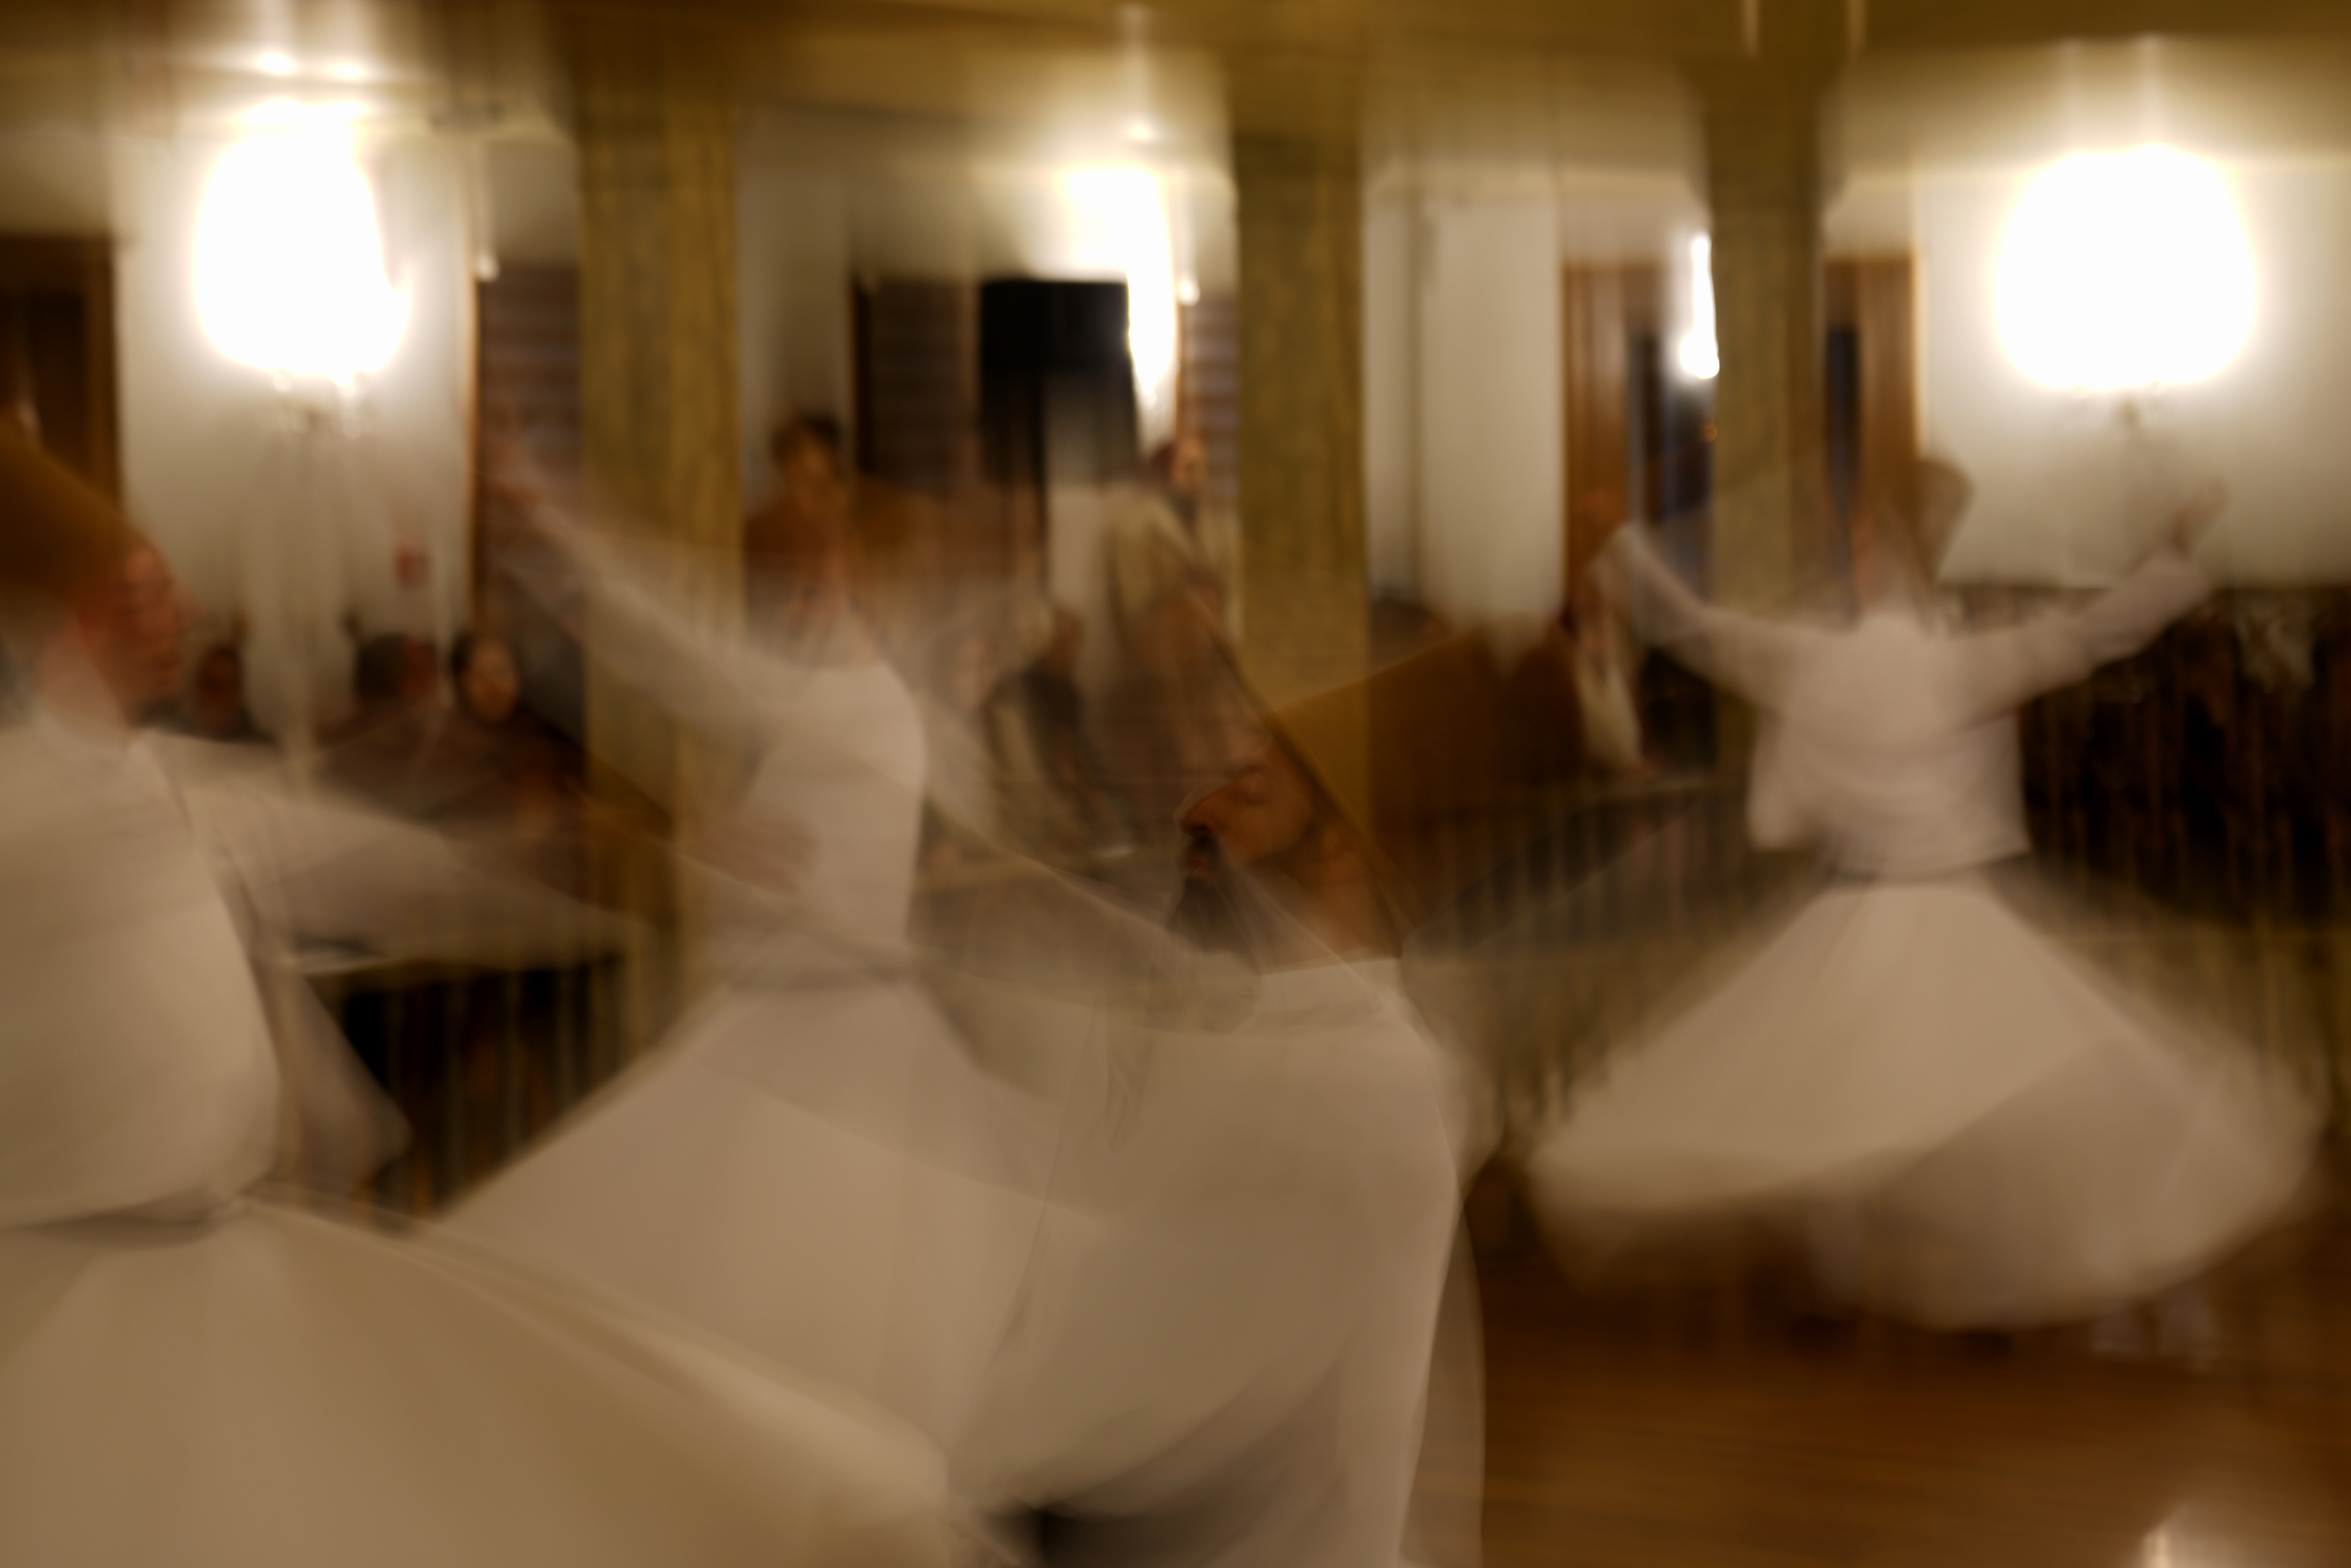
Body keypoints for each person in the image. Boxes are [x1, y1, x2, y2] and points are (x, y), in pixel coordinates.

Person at [0, 425, 958, 1568]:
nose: (187, 606)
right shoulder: (34, 809)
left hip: (208, 1261)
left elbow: (399, 865)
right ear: (67, 616)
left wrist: (646, 856)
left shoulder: (170, 785)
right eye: (143, 590)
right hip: (68, 1302)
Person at [1523, 459, 2319, 1332]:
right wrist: (2171, 555)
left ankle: (1840, 1281)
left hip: (1853, 914)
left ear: (1869, 564)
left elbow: (1693, 626)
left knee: (1829, 1094)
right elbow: (2095, 633)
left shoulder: (1815, 657)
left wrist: (1623, 540)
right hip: (1955, 911)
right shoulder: (1961, 664)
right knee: (1993, 1093)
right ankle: (1994, 1276)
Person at [441, 454, 1064, 1452]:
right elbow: (685, 665)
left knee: (811, 1319)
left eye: (798, 582)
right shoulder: (844, 696)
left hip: (837, 1039)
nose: (785, 607)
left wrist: (553, 529)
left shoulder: (857, 700)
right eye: (775, 588)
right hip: (810, 1025)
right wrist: (701, 837)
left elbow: (676, 649)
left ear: (835, 578)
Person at [954, 655, 1493, 1568]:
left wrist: (1014, 1463)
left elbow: (1181, 1368)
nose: (1196, 813)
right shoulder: (1273, 1037)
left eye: (1248, 793)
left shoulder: (1359, 1076)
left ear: (1342, 847)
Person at [1094, 430, 1238, 835]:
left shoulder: (1220, 528)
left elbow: (1233, 594)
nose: (1200, 477)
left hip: (1211, 647)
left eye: (1204, 468)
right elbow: (1134, 605)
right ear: (1166, 472)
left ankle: (1221, 778)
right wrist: (1189, 606)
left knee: (1224, 714)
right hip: (1161, 648)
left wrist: (1215, 620)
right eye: (1190, 468)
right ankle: (1194, 765)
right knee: (1191, 615)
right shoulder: (1133, 528)